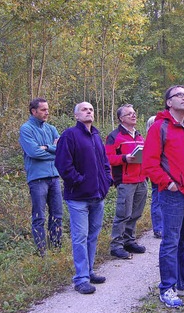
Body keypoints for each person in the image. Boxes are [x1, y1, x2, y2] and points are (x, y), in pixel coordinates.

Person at [143, 85, 184, 308]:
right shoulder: (159, 128)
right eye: (179, 95)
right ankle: (167, 288)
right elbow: (150, 163)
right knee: (171, 241)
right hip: (172, 194)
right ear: (168, 102)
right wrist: (168, 183)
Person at [55, 102, 113, 295]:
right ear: (76, 116)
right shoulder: (69, 135)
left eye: (91, 110)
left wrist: (107, 180)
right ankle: (80, 279)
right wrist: (78, 181)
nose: (89, 112)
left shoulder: (96, 135)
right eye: (84, 110)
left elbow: (105, 161)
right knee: (80, 237)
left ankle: (88, 271)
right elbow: (63, 164)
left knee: (92, 235)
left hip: (98, 195)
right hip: (78, 197)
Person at [18, 98, 63, 257]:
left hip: (54, 177)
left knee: (57, 214)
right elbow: (33, 152)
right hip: (37, 179)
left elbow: (62, 149)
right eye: (43, 110)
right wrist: (53, 152)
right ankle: (42, 251)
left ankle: (57, 249)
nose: (47, 112)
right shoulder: (26, 129)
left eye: (47, 109)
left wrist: (47, 147)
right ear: (33, 111)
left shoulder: (51, 128)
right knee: (39, 216)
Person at [105, 104, 148, 259]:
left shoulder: (139, 135)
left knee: (136, 213)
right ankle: (116, 245)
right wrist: (124, 158)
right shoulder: (114, 136)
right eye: (129, 114)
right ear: (121, 118)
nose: (133, 116)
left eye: (134, 113)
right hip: (125, 180)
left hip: (141, 179)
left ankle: (129, 241)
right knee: (123, 214)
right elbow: (107, 158)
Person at [146, 115, 163, 238]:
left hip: (166, 172)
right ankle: (158, 228)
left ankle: (162, 227)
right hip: (157, 172)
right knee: (157, 198)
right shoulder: (151, 139)